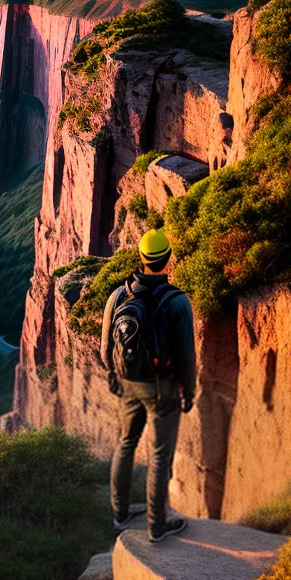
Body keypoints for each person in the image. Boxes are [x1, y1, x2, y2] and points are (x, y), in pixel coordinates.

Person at [100, 228, 196, 543]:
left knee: (126, 443)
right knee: (159, 455)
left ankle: (120, 515)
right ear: (167, 260)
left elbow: (104, 350)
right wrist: (189, 391)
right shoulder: (177, 301)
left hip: (128, 384)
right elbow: (185, 355)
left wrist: (117, 376)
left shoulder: (118, 295)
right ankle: (157, 527)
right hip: (162, 389)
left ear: (141, 259)